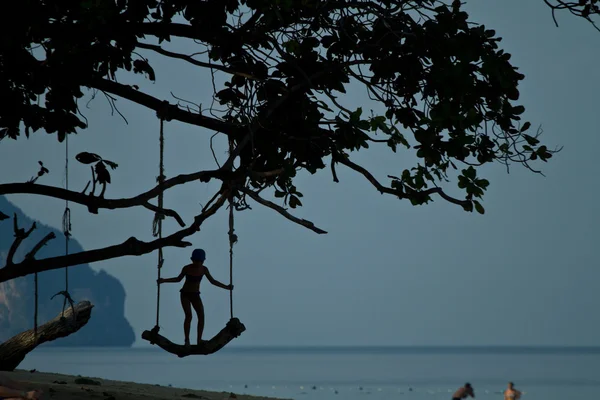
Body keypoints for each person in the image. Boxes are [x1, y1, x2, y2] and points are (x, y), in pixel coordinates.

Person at [157, 248, 233, 346]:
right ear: (192, 260)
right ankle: (187, 340)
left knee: (201, 316)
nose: (198, 263)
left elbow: (213, 281)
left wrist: (226, 287)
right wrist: (164, 280)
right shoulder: (187, 268)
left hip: (195, 295)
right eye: (196, 261)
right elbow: (178, 279)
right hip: (185, 294)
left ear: (203, 261)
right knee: (189, 316)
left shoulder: (204, 269)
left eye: (200, 261)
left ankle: (199, 340)